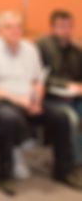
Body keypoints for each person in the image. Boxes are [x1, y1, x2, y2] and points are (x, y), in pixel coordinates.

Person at [0, 11, 82, 195]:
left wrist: (36, 101)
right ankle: (5, 173)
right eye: (9, 27)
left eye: (18, 27)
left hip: (29, 100)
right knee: (8, 119)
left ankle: (63, 171)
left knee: (61, 117)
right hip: (2, 101)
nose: (15, 31)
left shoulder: (29, 49)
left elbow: (38, 80)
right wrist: (16, 99)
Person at [36, 10, 82, 171]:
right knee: (71, 119)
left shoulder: (76, 50)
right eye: (61, 26)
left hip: (74, 96)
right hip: (49, 96)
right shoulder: (42, 45)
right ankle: (73, 163)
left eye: (69, 26)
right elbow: (39, 75)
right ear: (52, 27)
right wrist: (65, 85)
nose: (66, 30)